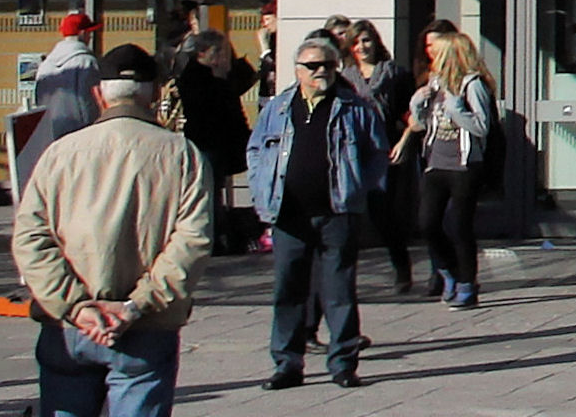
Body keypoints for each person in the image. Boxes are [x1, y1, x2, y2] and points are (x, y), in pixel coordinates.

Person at [13, 47, 211, 417]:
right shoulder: (179, 155)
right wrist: (136, 302)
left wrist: (74, 303)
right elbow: (191, 241)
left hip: (69, 330)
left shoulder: (59, 154)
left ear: (99, 93)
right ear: (151, 93)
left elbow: (31, 239)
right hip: (141, 331)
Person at [247, 32, 388, 390]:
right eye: (312, 66)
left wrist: (358, 187)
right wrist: (262, 189)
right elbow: (255, 151)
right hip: (289, 215)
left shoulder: (354, 107)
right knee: (288, 290)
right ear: (297, 70)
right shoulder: (278, 108)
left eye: (327, 65)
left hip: (337, 212)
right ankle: (287, 364)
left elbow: (377, 154)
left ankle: (343, 363)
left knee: (339, 290)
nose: (321, 71)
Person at [409, 26, 495, 308]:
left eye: (438, 52)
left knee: (459, 225)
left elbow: (482, 127)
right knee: (427, 222)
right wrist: (418, 104)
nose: (431, 57)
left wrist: (458, 110)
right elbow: (422, 125)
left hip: (465, 165)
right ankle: (448, 272)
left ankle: (468, 283)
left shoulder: (473, 84)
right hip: (436, 161)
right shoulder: (434, 83)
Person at [343, 19, 424, 297]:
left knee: (385, 214)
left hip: (386, 147)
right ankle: (343, 276)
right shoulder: (344, 78)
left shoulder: (395, 74)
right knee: (350, 214)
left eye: (366, 40)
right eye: (356, 42)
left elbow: (409, 114)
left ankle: (401, 268)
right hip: (354, 150)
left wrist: (404, 141)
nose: (362, 46)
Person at [169, 28, 260, 254]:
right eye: (218, 52)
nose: (222, 57)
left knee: (214, 189)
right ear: (203, 53)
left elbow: (242, 80)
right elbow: (216, 109)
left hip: (215, 142)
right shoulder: (198, 79)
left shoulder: (214, 78)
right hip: (209, 142)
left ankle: (219, 234)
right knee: (210, 191)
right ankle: (215, 237)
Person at [17, 13, 101, 183]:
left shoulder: (46, 65)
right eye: (89, 33)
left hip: (51, 134)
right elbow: (91, 102)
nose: (90, 36)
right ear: (82, 34)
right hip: (81, 134)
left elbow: (39, 99)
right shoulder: (86, 62)